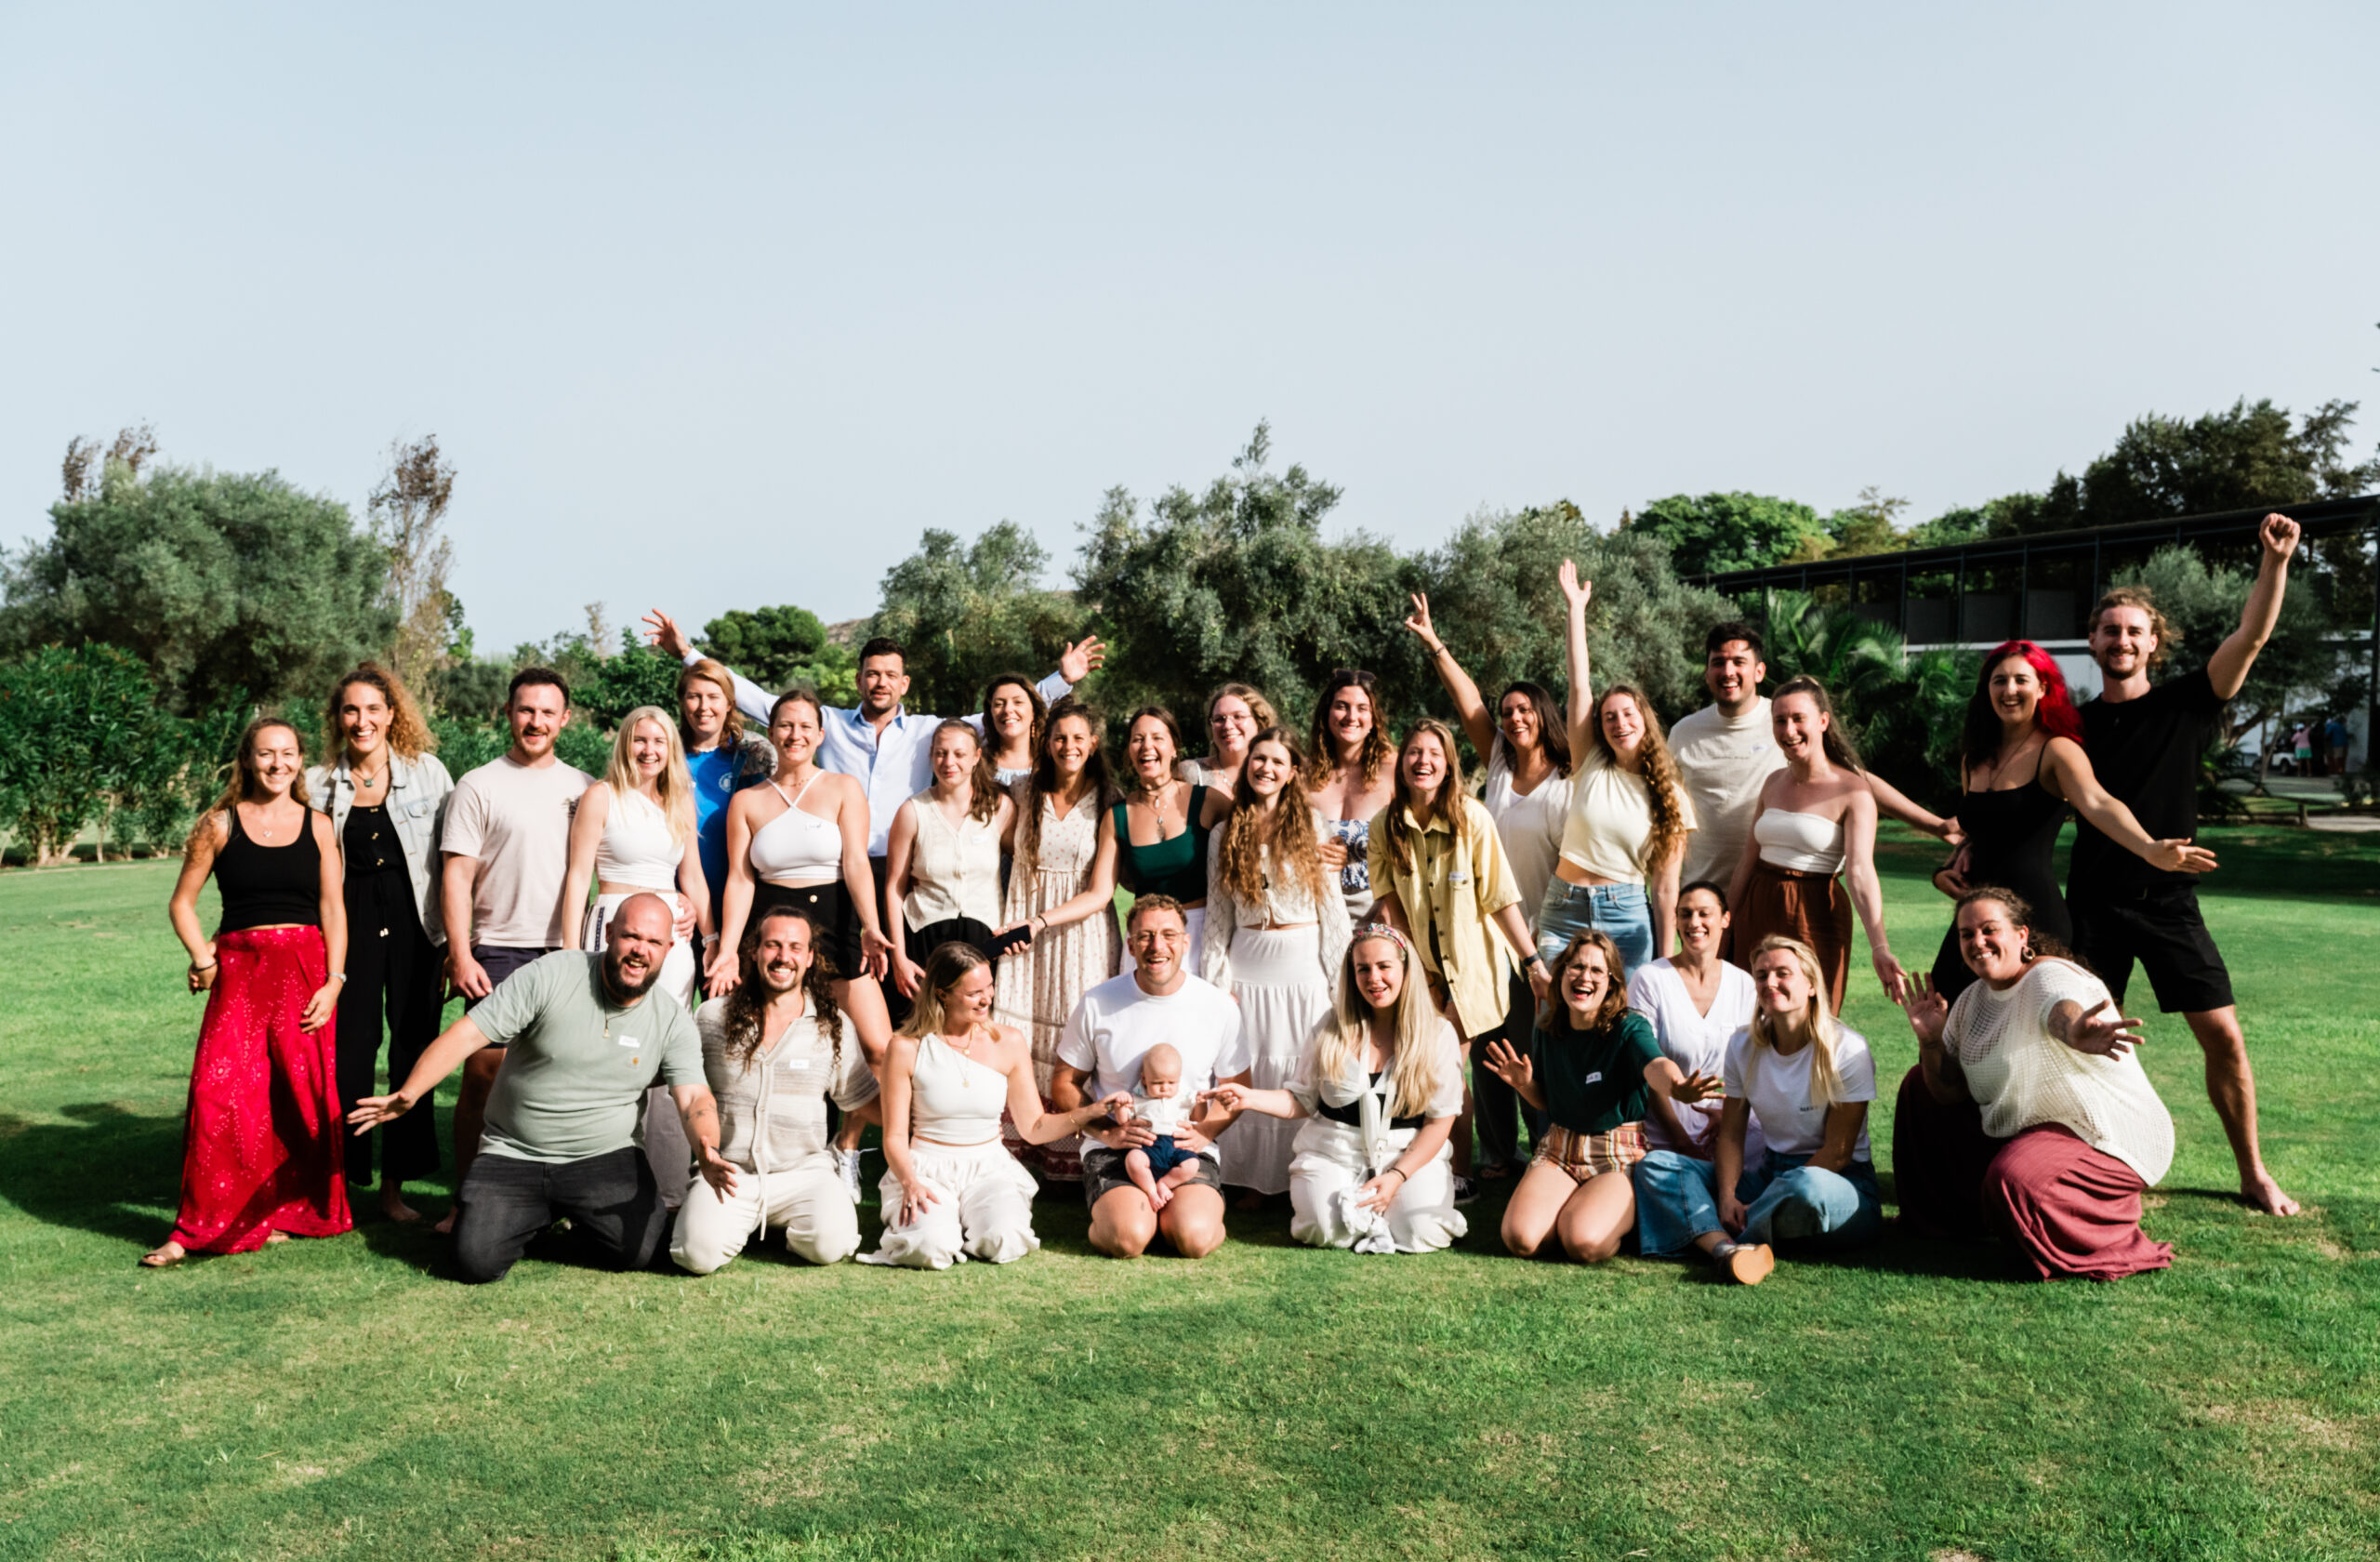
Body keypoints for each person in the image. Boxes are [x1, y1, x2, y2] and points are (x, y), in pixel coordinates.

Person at [2072, 512, 2301, 1216]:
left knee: (2224, 1037)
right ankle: (2089, 1169)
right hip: (2092, 904)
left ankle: (2253, 1172)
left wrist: (2275, 562)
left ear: (2154, 644)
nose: (2121, 640)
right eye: (2110, 630)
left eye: (2134, 632)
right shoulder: (2070, 726)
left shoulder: (2188, 705)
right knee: (2085, 1044)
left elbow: (2251, 636)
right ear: (2092, 641)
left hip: (2169, 902)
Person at [350, 894, 731, 1283]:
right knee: (474, 1261)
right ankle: (529, 1214)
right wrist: (411, 1092)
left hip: (604, 1156)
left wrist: (708, 1149)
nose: (640, 950)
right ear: (609, 933)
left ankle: (545, 1216)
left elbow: (694, 1097)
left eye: (653, 942)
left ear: (668, 948)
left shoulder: (671, 1020)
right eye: (631, 936)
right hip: (515, 1151)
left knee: (640, 1251)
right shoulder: (553, 974)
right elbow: (468, 1034)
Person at [147, 718, 352, 1266]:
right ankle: (194, 1228)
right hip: (239, 973)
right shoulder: (218, 824)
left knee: (299, 1096)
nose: (277, 763)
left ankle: (285, 1212)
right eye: (266, 753)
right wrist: (203, 957)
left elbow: (333, 909)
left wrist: (334, 982)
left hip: (305, 972)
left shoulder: (319, 826)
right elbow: (182, 903)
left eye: (288, 753)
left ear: (300, 760)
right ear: (247, 760)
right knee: (218, 1097)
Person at [1897, 888, 2177, 1281]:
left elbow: (2059, 1007)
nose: (1978, 941)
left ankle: (2112, 1221)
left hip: (2102, 1134)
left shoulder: (2049, 975)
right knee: (1918, 1085)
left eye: (1989, 929)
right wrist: (1930, 1041)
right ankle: (1949, 1220)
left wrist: (2076, 1031)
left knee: (2015, 1178)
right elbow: (1946, 1093)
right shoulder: (1971, 1001)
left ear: (2022, 935)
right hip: (2030, 1130)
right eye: (1966, 934)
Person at [1929, 641, 2215, 1007]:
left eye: (2021, 680)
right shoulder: (1974, 759)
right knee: (1944, 1014)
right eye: (1999, 681)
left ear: (2042, 688)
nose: (2009, 690)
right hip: (1976, 921)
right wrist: (1945, 870)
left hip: (2034, 916)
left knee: (2033, 1028)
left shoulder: (2057, 750)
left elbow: (2098, 802)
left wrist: (2148, 847)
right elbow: (1979, 834)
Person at [1404, 592, 1574, 1179]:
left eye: (1525, 710)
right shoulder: (1498, 763)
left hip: (1542, 933)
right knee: (1488, 1047)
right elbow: (1468, 701)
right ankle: (1500, 1154)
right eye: (1507, 712)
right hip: (1485, 935)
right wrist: (1435, 645)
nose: (1514, 719)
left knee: (1535, 1046)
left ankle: (1547, 1146)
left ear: (1544, 715)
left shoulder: (1568, 779)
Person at [708, 689, 893, 1200]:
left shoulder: (842, 787)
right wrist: (728, 950)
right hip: (770, 936)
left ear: (820, 734)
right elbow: (741, 880)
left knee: (878, 1049)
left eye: (805, 726)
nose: (795, 734)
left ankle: (847, 1148)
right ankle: (757, 1158)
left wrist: (871, 926)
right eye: (785, 725)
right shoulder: (747, 801)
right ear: (771, 733)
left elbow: (856, 863)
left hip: (835, 927)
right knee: (762, 1045)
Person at [435, 668, 601, 1233]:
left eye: (547, 712)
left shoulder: (584, 787)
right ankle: (464, 1201)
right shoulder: (478, 784)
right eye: (526, 710)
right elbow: (456, 877)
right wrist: (461, 955)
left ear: (565, 719)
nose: (536, 721)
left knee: (560, 1079)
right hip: (498, 949)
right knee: (484, 1076)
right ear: (508, 713)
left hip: (565, 950)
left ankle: (553, 1203)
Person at [1631, 935, 1884, 1285]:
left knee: (1807, 1189)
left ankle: (1723, 1236)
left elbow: (1838, 1153)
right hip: (1769, 1173)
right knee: (1657, 1165)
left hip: (1836, 1182)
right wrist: (1728, 1197)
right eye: (1762, 975)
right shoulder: (1743, 1044)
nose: (1770, 983)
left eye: (1783, 973)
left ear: (1811, 985)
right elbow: (1731, 1134)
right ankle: (1728, 1248)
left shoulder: (1847, 1049)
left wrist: (1760, 1201)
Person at [863, 943, 1128, 1269]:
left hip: (989, 1168)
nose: (987, 998)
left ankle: (969, 1220)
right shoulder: (905, 1048)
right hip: (926, 1169)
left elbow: (1034, 1127)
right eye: (974, 992)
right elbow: (893, 1136)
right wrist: (909, 1182)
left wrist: (1089, 1113)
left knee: (1005, 1239)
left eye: (989, 987)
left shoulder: (1009, 1042)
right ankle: (943, 1225)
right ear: (943, 994)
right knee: (928, 1248)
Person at [1206, 923, 1468, 1253]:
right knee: (1323, 1229)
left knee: (1419, 1232)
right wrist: (1249, 1097)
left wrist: (1398, 1176)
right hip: (1335, 1150)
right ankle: (1360, 1210)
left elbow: (1440, 1121)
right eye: (1363, 969)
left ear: (1405, 969)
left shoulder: (1437, 1033)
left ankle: (1390, 1209)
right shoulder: (1330, 1026)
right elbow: (1302, 1099)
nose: (1374, 978)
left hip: (1407, 1152)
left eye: (1384, 966)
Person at [1368, 717, 1548, 1199]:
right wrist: (1417, 973)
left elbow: (1501, 897)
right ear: (1401, 763)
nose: (1423, 761)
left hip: (1474, 969)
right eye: (1414, 752)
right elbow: (1390, 906)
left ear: (1449, 765)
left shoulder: (1472, 818)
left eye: (1434, 753)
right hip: (1421, 969)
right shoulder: (1385, 825)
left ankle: (1461, 1171)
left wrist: (1532, 962)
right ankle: (1444, 1164)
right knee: (1440, 1067)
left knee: (1445, 1067)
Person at [308, 663, 453, 1222]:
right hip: (349, 930)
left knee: (412, 1055)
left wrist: (452, 943)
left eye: (373, 709)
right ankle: (341, 1186)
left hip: (418, 927)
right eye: (351, 710)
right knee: (349, 1057)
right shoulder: (317, 784)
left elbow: (453, 861)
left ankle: (394, 1189)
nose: (362, 720)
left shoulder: (429, 773)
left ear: (393, 715)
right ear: (337, 717)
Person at [1479, 930, 1719, 1264]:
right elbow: (1547, 1102)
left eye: (1596, 971)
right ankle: (1581, 1210)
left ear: (1611, 983)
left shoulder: (1629, 1026)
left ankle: (1611, 1214)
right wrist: (1523, 1085)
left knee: (1583, 1243)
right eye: (1577, 967)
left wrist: (1677, 1086)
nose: (1585, 977)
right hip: (1560, 1147)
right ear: (1562, 974)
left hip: (1617, 1154)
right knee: (1521, 1239)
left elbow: (1655, 1066)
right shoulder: (1549, 1027)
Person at [1671, 621, 1960, 897]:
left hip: (1769, 891)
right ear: (1706, 673)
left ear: (1759, 671)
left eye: (1738, 662)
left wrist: (1936, 826)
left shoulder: (1787, 722)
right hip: (1700, 899)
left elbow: (1856, 783)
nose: (1728, 671)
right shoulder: (1683, 733)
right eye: (1718, 662)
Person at [560, 704, 710, 1206]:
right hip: (613, 926)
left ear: (671, 749)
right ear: (625, 744)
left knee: (668, 1057)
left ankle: (668, 1192)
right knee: (605, 1049)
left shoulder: (680, 802)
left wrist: (710, 937)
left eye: (659, 741)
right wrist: (570, 953)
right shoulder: (601, 797)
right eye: (640, 740)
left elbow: (692, 877)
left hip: (673, 943)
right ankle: (591, 1184)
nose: (649, 750)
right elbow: (578, 876)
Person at [670, 908, 878, 1273]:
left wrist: (924, 1113)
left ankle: (782, 1226)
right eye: (773, 945)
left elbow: (864, 1100)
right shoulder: (712, 1017)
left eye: (795, 947)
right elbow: (685, 1087)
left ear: (810, 957)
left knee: (831, 1244)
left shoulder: (832, 1025)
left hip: (806, 1174)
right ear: (754, 951)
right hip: (729, 1174)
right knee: (695, 1255)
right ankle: (738, 1220)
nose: (784, 957)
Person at [1052, 896, 1253, 1260]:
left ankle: (1178, 1214)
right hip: (1118, 1151)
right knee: (1126, 1239)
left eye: (1168, 935)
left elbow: (1237, 1089)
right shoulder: (1098, 1002)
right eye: (1145, 936)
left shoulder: (1217, 1005)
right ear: (1130, 945)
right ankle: (1132, 1215)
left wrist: (1205, 1133)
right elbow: (1064, 1082)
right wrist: (1106, 1132)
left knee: (1194, 1239)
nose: (1156, 946)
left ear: (1186, 942)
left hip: (1185, 1151)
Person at [1202, 726, 1352, 1204]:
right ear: (1248, 765)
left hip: (1302, 967)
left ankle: (1297, 1178)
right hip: (1248, 965)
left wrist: (1341, 982)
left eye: (1276, 762)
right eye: (1259, 759)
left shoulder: (1313, 828)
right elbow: (1217, 917)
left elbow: (1333, 911)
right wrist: (1216, 985)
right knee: (1252, 1072)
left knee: (1300, 1069)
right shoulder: (1225, 832)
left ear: (1291, 773)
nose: (1265, 768)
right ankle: (1248, 1179)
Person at [1541, 562, 1696, 973]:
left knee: (1627, 1010)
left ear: (1645, 721)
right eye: (1609, 717)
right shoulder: (1590, 761)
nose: (1619, 723)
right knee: (1558, 1010)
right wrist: (1576, 610)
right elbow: (1579, 684)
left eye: (1628, 714)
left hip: (1626, 917)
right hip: (1564, 908)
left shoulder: (1672, 796)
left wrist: (1666, 961)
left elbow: (1665, 888)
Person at [992, 697, 1123, 1180]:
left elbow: (1101, 892)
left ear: (1093, 743)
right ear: (1045, 743)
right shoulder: (1022, 791)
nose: (1069, 746)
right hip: (1024, 933)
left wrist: (1041, 920)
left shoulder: (1110, 799)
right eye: (1059, 737)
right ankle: (1017, 1148)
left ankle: (1070, 1154)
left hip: (1081, 933)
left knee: (1071, 1036)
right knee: (1020, 1033)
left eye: (1078, 738)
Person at [1727, 675, 1909, 1010]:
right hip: (1757, 906)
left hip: (1815, 913)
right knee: (1749, 1011)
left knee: (1812, 1013)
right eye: (1780, 720)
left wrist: (1880, 946)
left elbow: (1860, 872)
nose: (1789, 730)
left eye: (1799, 718)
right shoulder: (1773, 782)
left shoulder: (1853, 790)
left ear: (1823, 721)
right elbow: (1747, 861)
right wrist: (1726, 922)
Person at [1625, 880, 1760, 1170]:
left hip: (1732, 1131)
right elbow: (1643, 1063)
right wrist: (1682, 1141)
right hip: (1666, 1138)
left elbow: (1753, 1066)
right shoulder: (1650, 979)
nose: (1694, 922)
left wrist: (1730, 1120)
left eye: (1704, 913)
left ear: (1725, 919)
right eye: (1685, 914)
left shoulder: (1744, 984)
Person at [886, 719, 1015, 991]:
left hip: (985, 938)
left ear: (976, 757)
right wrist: (899, 957)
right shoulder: (912, 812)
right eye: (941, 753)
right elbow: (894, 888)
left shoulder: (999, 808)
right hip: (925, 938)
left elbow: (1024, 866)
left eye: (959, 754)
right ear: (931, 755)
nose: (948, 762)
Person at [1112, 707, 1234, 973]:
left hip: (1199, 936)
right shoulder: (1116, 815)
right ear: (1129, 750)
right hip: (1146, 941)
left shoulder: (1208, 801)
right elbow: (1098, 893)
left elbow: (1255, 838)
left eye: (1157, 738)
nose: (1147, 746)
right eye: (1138, 739)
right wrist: (1040, 921)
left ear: (1174, 748)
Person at [675, 656, 777, 931]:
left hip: (744, 906)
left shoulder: (754, 755)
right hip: (680, 908)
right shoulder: (664, 757)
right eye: (694, 697)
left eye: (713, 697)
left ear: (730, 703)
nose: (704, 706)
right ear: (683, 702)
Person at [1309, 668, 1397, 921]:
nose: (1351, 716)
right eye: (1341, 706)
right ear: (1326, 713)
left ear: (1374, 719)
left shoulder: (1394, 770)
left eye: (1362, 708)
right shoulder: (1302, 774)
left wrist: (1391, 910)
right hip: (1314, 911)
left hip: (1379, 911)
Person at [1117, 1044, 1208, 1211]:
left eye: (1171, 1082)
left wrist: (1201, 1104)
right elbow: (1123, 1121)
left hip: (1177, 1146)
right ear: (1144, 1079)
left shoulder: (1183, 1098)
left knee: (1192, 1165)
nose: (1165, 1087)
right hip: (1148, 1146)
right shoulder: (1138, 1099)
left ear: (1179, 1079)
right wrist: (1121, 1106)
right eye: (1157, 1083)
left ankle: (1164, 1184)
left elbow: (1198, 1118)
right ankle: (1151, 1191)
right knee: (1133, 1160)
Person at [1177, 682, 1277, 795]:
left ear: (1259, 723)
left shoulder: (1274, 775)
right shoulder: (1190, 773)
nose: (1228, 726)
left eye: (1238, 716)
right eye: (1219, 719)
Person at [980, 673, 1049, 787]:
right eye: (999, 704)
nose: (1008, 709)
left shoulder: (1051, 763)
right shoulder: (976, 765)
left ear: (1034, 711)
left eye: (1018, 702)